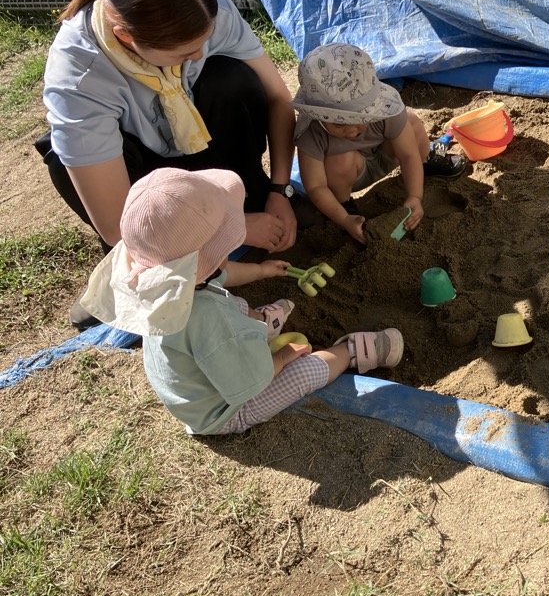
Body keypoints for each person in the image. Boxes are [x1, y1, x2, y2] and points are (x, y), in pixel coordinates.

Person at [39, 0, 300, 329]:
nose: (197, 55)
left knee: (232, 80)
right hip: (148, 187)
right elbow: (115, 222)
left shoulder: (212, 16)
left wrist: (279, 191)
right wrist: (238, 227)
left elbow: (278, 98)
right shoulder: (79, 76)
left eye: (203, 43)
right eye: (184, 53)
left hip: (211, 166)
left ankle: (249, 194)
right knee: (63, 159)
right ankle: (138, 267)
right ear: (127, 39)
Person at [78, 168, 404, 435]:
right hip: (224, 409)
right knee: (303, 373)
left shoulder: (163, 281)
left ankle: (262, 325)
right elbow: (252, 382)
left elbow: (222, 274)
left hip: (205, 368)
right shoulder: (208, 319)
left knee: (232, 307)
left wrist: (261, 270)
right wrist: (283, 358)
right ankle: (348, 352)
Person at [292, 43, 466, 244]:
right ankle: (345, 205)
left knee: (412, 123)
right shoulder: (311, 133)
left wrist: (415, 197)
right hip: (349, 175)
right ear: (318, 115)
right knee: (340, 160)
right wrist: (344, 219)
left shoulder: (386, 111)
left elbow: (408, 155)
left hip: (387, 155)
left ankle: (426, 160)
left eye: (360, 120)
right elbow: (316, 186)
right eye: (339, 124)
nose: (351, 130)